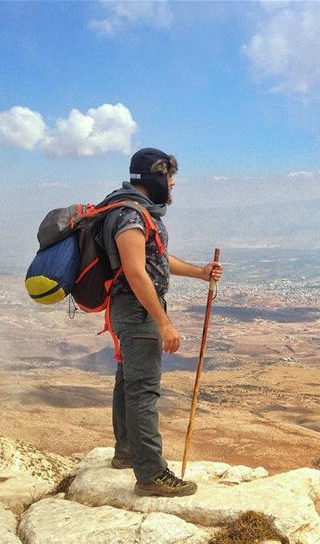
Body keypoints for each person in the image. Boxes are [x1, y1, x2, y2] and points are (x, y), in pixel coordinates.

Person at [98, 147, 223, 497]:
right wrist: (163, 322)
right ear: (154, 178)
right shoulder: (130, 217)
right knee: (143, 390)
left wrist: (199, 272)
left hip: (132, 310)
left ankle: (126, 453)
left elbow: (157, 258)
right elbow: (137, 274)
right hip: (138, 312)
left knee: (128, 383)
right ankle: (151, 474)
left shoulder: (135, 213)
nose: (174, 184)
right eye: (169, 178)